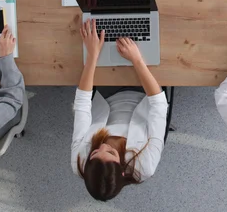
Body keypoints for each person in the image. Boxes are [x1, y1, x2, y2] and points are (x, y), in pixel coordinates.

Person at [72, 19, 168, 201]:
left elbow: (82, 105)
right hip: (145, 95)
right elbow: (159, 105)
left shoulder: (79, 162)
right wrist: (137, 59)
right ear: (123, 169)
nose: (103, 146)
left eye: (94, 152)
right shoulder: (144, 165)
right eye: (110, 153)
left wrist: (92, 55)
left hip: (107, 95)